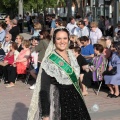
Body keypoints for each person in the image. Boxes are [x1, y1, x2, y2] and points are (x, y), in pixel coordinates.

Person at [27, 27, 91, 120]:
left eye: (65, 38)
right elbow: (44, 89)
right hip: (58, 102)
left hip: (75, 100)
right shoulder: (50, 60)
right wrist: (45, 115)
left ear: (69, 39)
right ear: (54, 41)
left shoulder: (71, 55)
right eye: (58, 39)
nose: (62, 41)